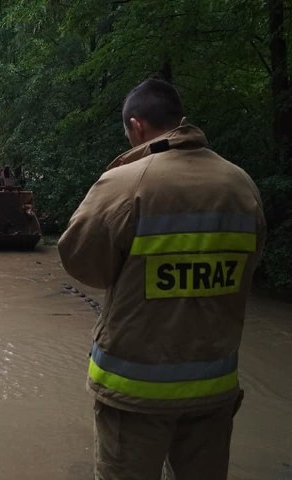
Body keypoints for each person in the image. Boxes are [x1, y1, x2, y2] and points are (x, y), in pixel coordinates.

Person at [57, 78, 266, 480]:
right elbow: (249, 265)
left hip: (133, 392)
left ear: (136, 126)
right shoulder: (241, 184)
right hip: (213, 387)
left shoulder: (126, 183)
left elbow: (83, 264)